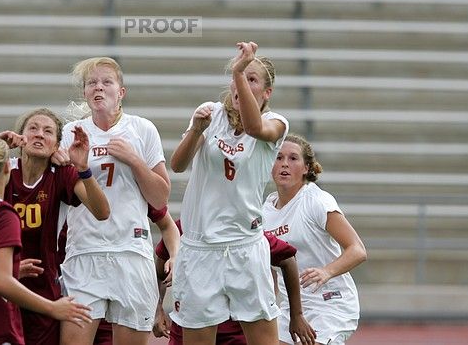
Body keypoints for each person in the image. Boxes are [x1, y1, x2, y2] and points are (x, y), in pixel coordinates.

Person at [0, 108, 109, 345]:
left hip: (41, 289)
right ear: (19, 138)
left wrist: (83, 168)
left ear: (57, 145)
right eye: (33, 128)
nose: (39, 134)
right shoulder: (3, 168)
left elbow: (102, 212)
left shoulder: (61, 174)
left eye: (48, 131)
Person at [170, 41, 288, 345]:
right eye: (240, 77)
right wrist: (197, 128)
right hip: (199, 248)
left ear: (267, 92)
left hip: (244, 247)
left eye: (252, 79)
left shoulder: (276, 123)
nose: (242, 85)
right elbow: (178, 165)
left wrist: (237, 70)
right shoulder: (210, 114)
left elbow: (254, 127)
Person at [58, 56, 171, 345]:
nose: (98, 88)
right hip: (84, 250)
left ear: (121, 91)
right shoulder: (72, 133)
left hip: (130, 251)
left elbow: (160, 196)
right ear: (84, 92)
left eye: (107, 82)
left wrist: (134, 160)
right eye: (91, 83)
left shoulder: (142, 129)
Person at [262, 134, 367, 345]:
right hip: (293, 308)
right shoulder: (265, 209)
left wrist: (326, 271)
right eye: (279, 157)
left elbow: (357, 250)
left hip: (331, 303)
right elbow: (270, 266)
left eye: (293, 158)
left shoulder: (316, 201)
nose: (284, 164)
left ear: (306, 168)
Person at [153, 220, 316, 345]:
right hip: (187, 331)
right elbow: (160, 271)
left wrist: (297, 315)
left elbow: (287, 259)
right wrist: (158, 310)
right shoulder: (184, 228)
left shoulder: (243, 231)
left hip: (236, 336)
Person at [91, 208, 180, 345]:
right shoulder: (75, 203)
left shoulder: (144, 192)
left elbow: (167, 224)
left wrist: (157, 308)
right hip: (85, 284)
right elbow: (160, 272)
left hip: (128, 299)